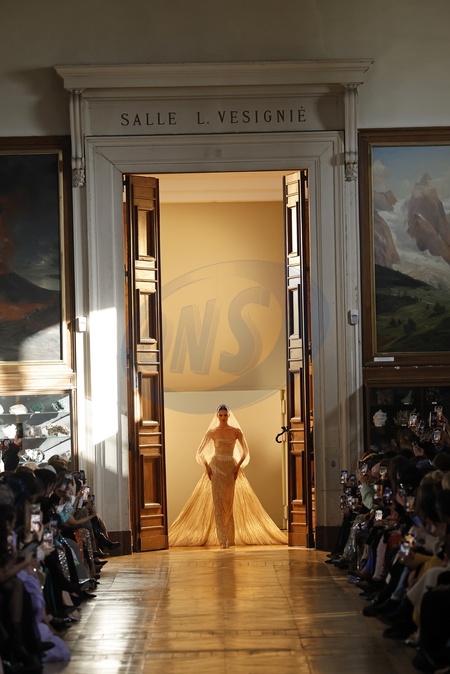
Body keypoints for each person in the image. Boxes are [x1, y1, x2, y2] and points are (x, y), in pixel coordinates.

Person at [169, 404, 287, 548]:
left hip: (231, 468)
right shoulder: (212, 432)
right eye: (221, 415)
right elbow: (199, 452)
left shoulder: (236, 432)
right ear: (217, 416)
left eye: (225, 415)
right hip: (216, 468)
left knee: (228, 502)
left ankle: (230, 538)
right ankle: (222, 539)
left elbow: (245, 452)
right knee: (218, 503)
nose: (223, 417)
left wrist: (237, 467)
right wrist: (207, 466)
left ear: (229, 415)